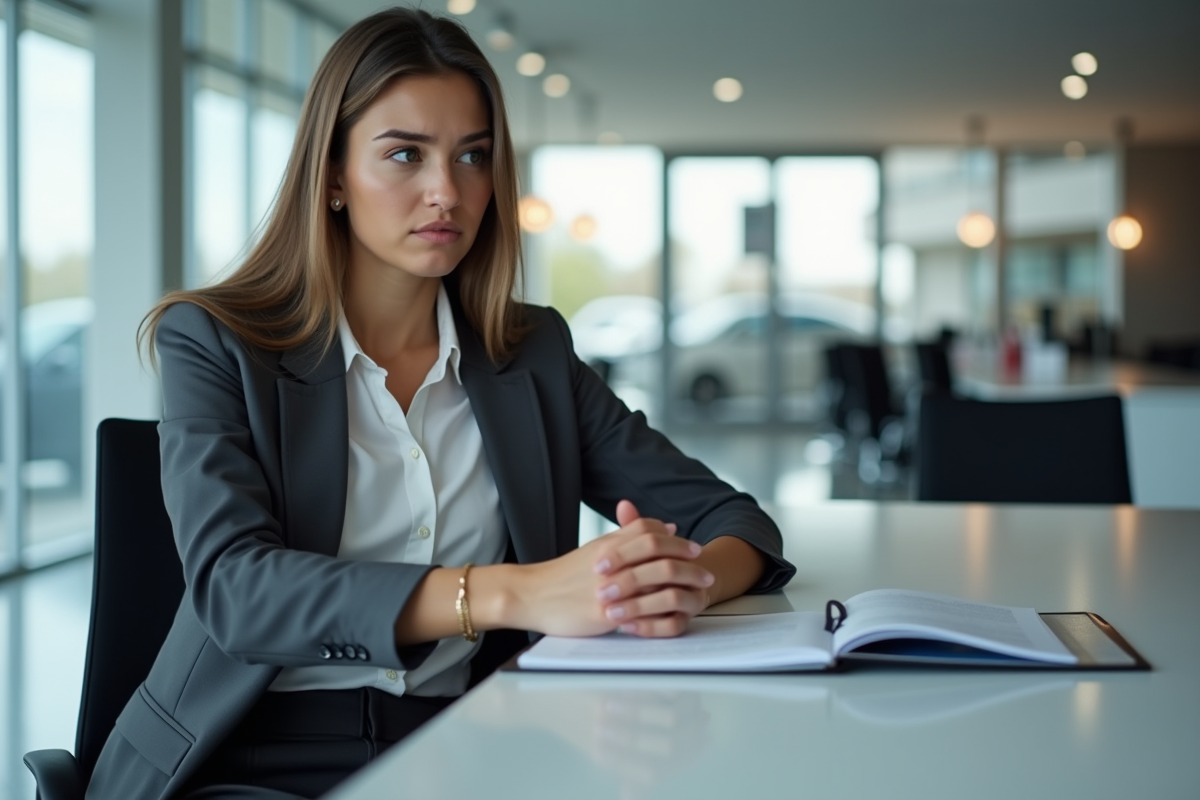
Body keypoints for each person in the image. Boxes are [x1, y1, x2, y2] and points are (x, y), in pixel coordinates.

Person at [88, 8, 793, 800]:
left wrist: (667, 585)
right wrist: (510, 593)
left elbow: (737, 524)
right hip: (243, 756)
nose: (446, 192)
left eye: (472, 156)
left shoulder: (529, 355)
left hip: (464, 743)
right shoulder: (217, 341)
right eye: (404, 155)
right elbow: (237, 592)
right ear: (331, 177)